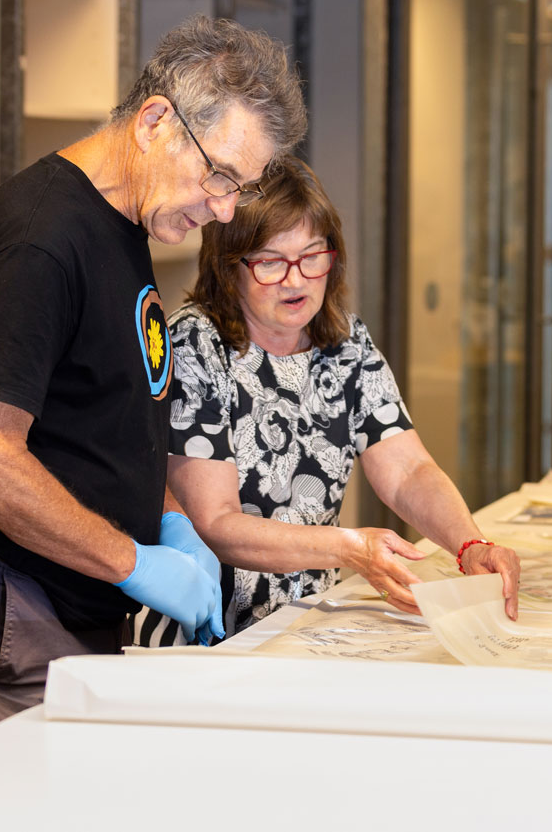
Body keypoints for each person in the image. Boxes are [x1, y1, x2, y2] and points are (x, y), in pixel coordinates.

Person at [0, 16, 307, 750]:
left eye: (238, 189)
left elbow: (107, 411)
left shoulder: (121, 222)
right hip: (9, 596)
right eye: (219, 176)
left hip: (68, 591)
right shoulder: (43, 241)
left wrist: (167, 520)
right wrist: (134, 561)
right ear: (157, 121)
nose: (223, 209)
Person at [137, 156, 520, 644]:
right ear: (229, 268)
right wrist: (351, 547)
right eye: (271, 263)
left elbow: (408, 472)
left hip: (305, 627)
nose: (296, 280)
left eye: (312, 256)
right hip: (212, 639)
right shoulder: (197, 346)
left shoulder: (345, 344)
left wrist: (470, 544)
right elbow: (216, 524)